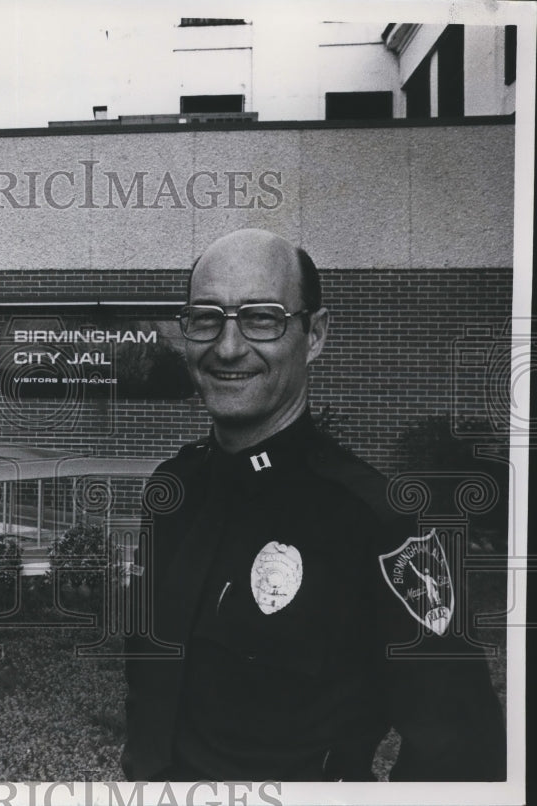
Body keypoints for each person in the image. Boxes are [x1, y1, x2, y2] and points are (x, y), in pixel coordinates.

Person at [121, 229, 505, 782]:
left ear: (315, 335)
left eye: (263, 318)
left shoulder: (377, 524)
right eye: (206, 318)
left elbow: (464, 753)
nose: (228, 348)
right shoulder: (172, 492)